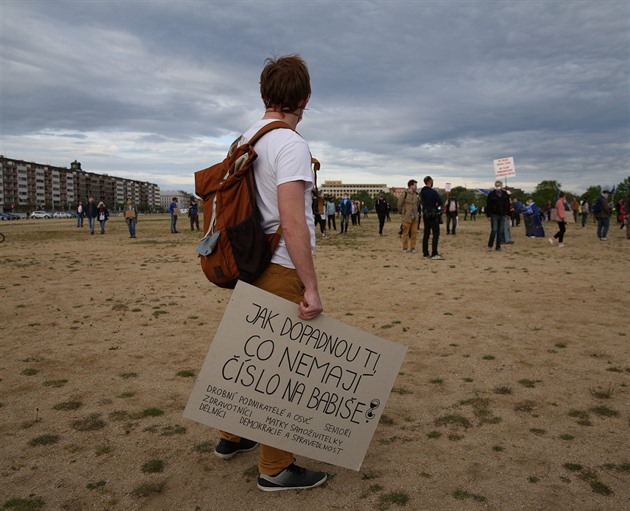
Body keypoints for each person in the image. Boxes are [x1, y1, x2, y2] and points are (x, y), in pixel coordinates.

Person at [212, 54, 327, 492]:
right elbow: (292, 220)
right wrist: (311, 286)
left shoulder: (244, 139)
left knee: (248, 359)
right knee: (280, 371)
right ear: (305, 98)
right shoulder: (292, 144)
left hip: (248, 264)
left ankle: (231, 436)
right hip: (278, 267)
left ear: (264, 94)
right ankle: (275, 468)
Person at [420, 176, 443, 259]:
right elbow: (440, 201)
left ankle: (425, 253)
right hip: (433, 214)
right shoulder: (433, 192)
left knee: (426, 233)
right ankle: (434, 253)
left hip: (425, 214)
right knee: (436, 233)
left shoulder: (422, 192)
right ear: (429, 182)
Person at [485, 180, 511, 251]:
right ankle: (490, 246)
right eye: (496, 186)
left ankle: (498, 246)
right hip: (494, 214)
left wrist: (508, 214)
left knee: (500, 231)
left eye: (498, 185)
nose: (497, 187)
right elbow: (488, 205)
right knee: (494, 230)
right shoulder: (491, 194)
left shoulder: (505, 194)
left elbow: (507, 205)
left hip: (502, 215)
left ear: (501, 186)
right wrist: (488, 215)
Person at [397, 179, 419, 252]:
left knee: (414, 233)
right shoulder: (405, 193)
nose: (416, 186)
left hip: (415, 217)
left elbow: (417, 204)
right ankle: (405, 247)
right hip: (407, 216)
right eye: (415, 185)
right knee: (405, 233)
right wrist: (403, 212)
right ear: (411, 185)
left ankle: (413, 247)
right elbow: (399, 204)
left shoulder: (416, 194)